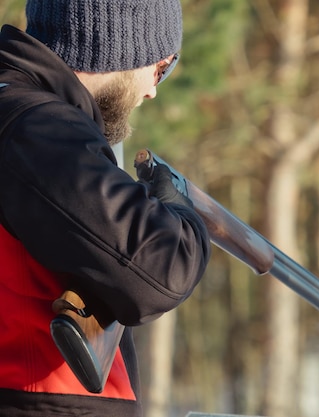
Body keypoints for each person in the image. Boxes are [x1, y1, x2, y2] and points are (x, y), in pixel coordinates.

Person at [0, 0, 211, 416]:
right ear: (119, 45)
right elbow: (161, 269)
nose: (152, 89)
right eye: (161, 67)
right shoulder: (34, 127)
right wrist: (182, 216)